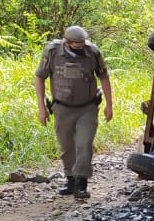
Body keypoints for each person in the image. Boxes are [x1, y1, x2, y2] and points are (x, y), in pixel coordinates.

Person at [34, 26, 114, 199]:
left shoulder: (92, 52)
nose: (80, 46)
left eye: (82, 43)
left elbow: (104, 76)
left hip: (87, 107)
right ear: (66, 42)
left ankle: (81, 184)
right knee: (67, 147)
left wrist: (109, 105)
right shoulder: (53, 52)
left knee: (84, 145)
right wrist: (41, 107)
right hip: (62, 107)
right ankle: (70, 180)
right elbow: (40, 77)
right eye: (76, 44)